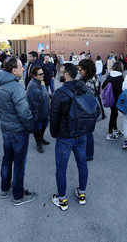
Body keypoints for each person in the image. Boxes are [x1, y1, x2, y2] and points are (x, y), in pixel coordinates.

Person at [50, 63, 98, 211]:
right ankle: (81, 194)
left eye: (61, 72)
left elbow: (54, 117)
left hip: (65, 136)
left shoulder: (59, 93)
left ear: (66, 74)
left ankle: (62, 200)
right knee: (82, 164)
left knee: (61, 168)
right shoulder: (83, 87)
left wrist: (54, 133)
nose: (59, 74)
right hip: (82, 134)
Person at [0, 57, 37, 206]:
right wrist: (30, 126)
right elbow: (24, 113)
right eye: (21, 67)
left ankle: (5, 188)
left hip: (6, 129)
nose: (23, 69)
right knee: (19, 163)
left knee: (7, 158)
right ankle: (18, 196)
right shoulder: (15, 87)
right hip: (17, 131)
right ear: (13, 70)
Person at [78, 59, 99, 161]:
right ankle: (87, 153)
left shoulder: (89, 81)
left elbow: (86, 97)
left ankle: (89, 154)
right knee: (87, 132)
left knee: (87, 133)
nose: (79, 72)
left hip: (87, 110)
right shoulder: (93, 78)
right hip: (90, 109)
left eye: (81, 70)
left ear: (86, 70)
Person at [27, 66, 51, 153]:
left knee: (44, 125)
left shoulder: (39, 82)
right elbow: (40, 97)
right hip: (37, 111)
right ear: (34, 75)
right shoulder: (33, 85)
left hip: (44, 110)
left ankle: (41, 138)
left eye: (43, 73)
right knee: (37, 127)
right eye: (40, 74)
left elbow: (45, 95)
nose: (42, 75)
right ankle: (38, 143)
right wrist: (43, 87)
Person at [102, 62, 124, 140]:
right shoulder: (120, 78)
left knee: (114, 114)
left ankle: (115, 130)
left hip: (110, 99)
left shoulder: (109, 76)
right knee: (114, 115)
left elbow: (103, 86)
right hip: (117, 100)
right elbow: (121, 90)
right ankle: (109, 133)